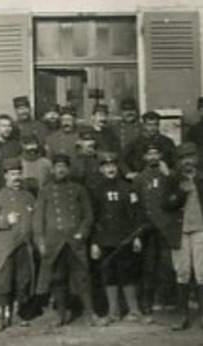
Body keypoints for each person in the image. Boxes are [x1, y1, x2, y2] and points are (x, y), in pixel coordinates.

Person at [162, 142, 203, 331]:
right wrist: (182, 191)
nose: (187, 162)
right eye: (183, 159)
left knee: (202, 273)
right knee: (182, 272)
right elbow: (166, 205)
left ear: (197, 159)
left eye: (191, 157)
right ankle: (182, 316)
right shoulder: (172, 180)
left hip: (201, 230)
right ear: (178, 162)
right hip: (180, 232)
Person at [31, 153, 96, 326]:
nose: (60, 170)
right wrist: (41, 242)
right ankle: (60, 314)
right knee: (57, 279)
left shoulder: (78, 189)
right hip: (54, 242)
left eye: (64, 167)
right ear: (52, 169)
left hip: (75, 241)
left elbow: (88, 216)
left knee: (82, 277)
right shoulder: (45, 191)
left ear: (69, 169)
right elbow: (38, 219)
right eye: (57, 167)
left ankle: (90, 314)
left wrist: (81, 234)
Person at [89, 151, 145, 323]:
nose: (110, 169)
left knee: (128, 273)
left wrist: (136, 237)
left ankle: (134, 310)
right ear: (101, 169)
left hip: (125, 238)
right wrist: (94, 242)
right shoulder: (96, 190)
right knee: (109, 275)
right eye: (106, 166)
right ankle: (113, 312)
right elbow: (93, 217)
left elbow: (135, 214)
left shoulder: (127, 188)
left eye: (113, 165)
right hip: (105, 240)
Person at [0, 158, 38, 331]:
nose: (16, 177)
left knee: (22, 281)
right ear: (5, 176)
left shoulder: (28, 196)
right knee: (3, 282)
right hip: (5, 247)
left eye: (19, 173)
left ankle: (16, 314)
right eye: (12, 174)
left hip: (25, 246)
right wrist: (5, 220)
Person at [132, 139, 179, 316]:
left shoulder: (169, 174)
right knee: (148, 266)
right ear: (144, 157)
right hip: (148, 228)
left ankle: (171, 301)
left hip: (167, 227)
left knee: (169, 264)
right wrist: (138, 232)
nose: (153, 157)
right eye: (149, 154)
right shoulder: (139, 179)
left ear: (161, 156)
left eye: (156, 153)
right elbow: (136, 207)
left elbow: (178, 195)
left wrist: (169, 176)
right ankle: (147, 302)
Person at [122, 110, 176, 176]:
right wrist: (128, 172)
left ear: (159, 125)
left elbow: (175, 162)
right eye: (149, 124)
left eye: (155, 124)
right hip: (141, 179)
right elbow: (122, 160)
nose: (152, 128)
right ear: (144, 125)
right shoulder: (135, 143)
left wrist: (170, 172)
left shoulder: (167, 142)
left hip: (163, 179)